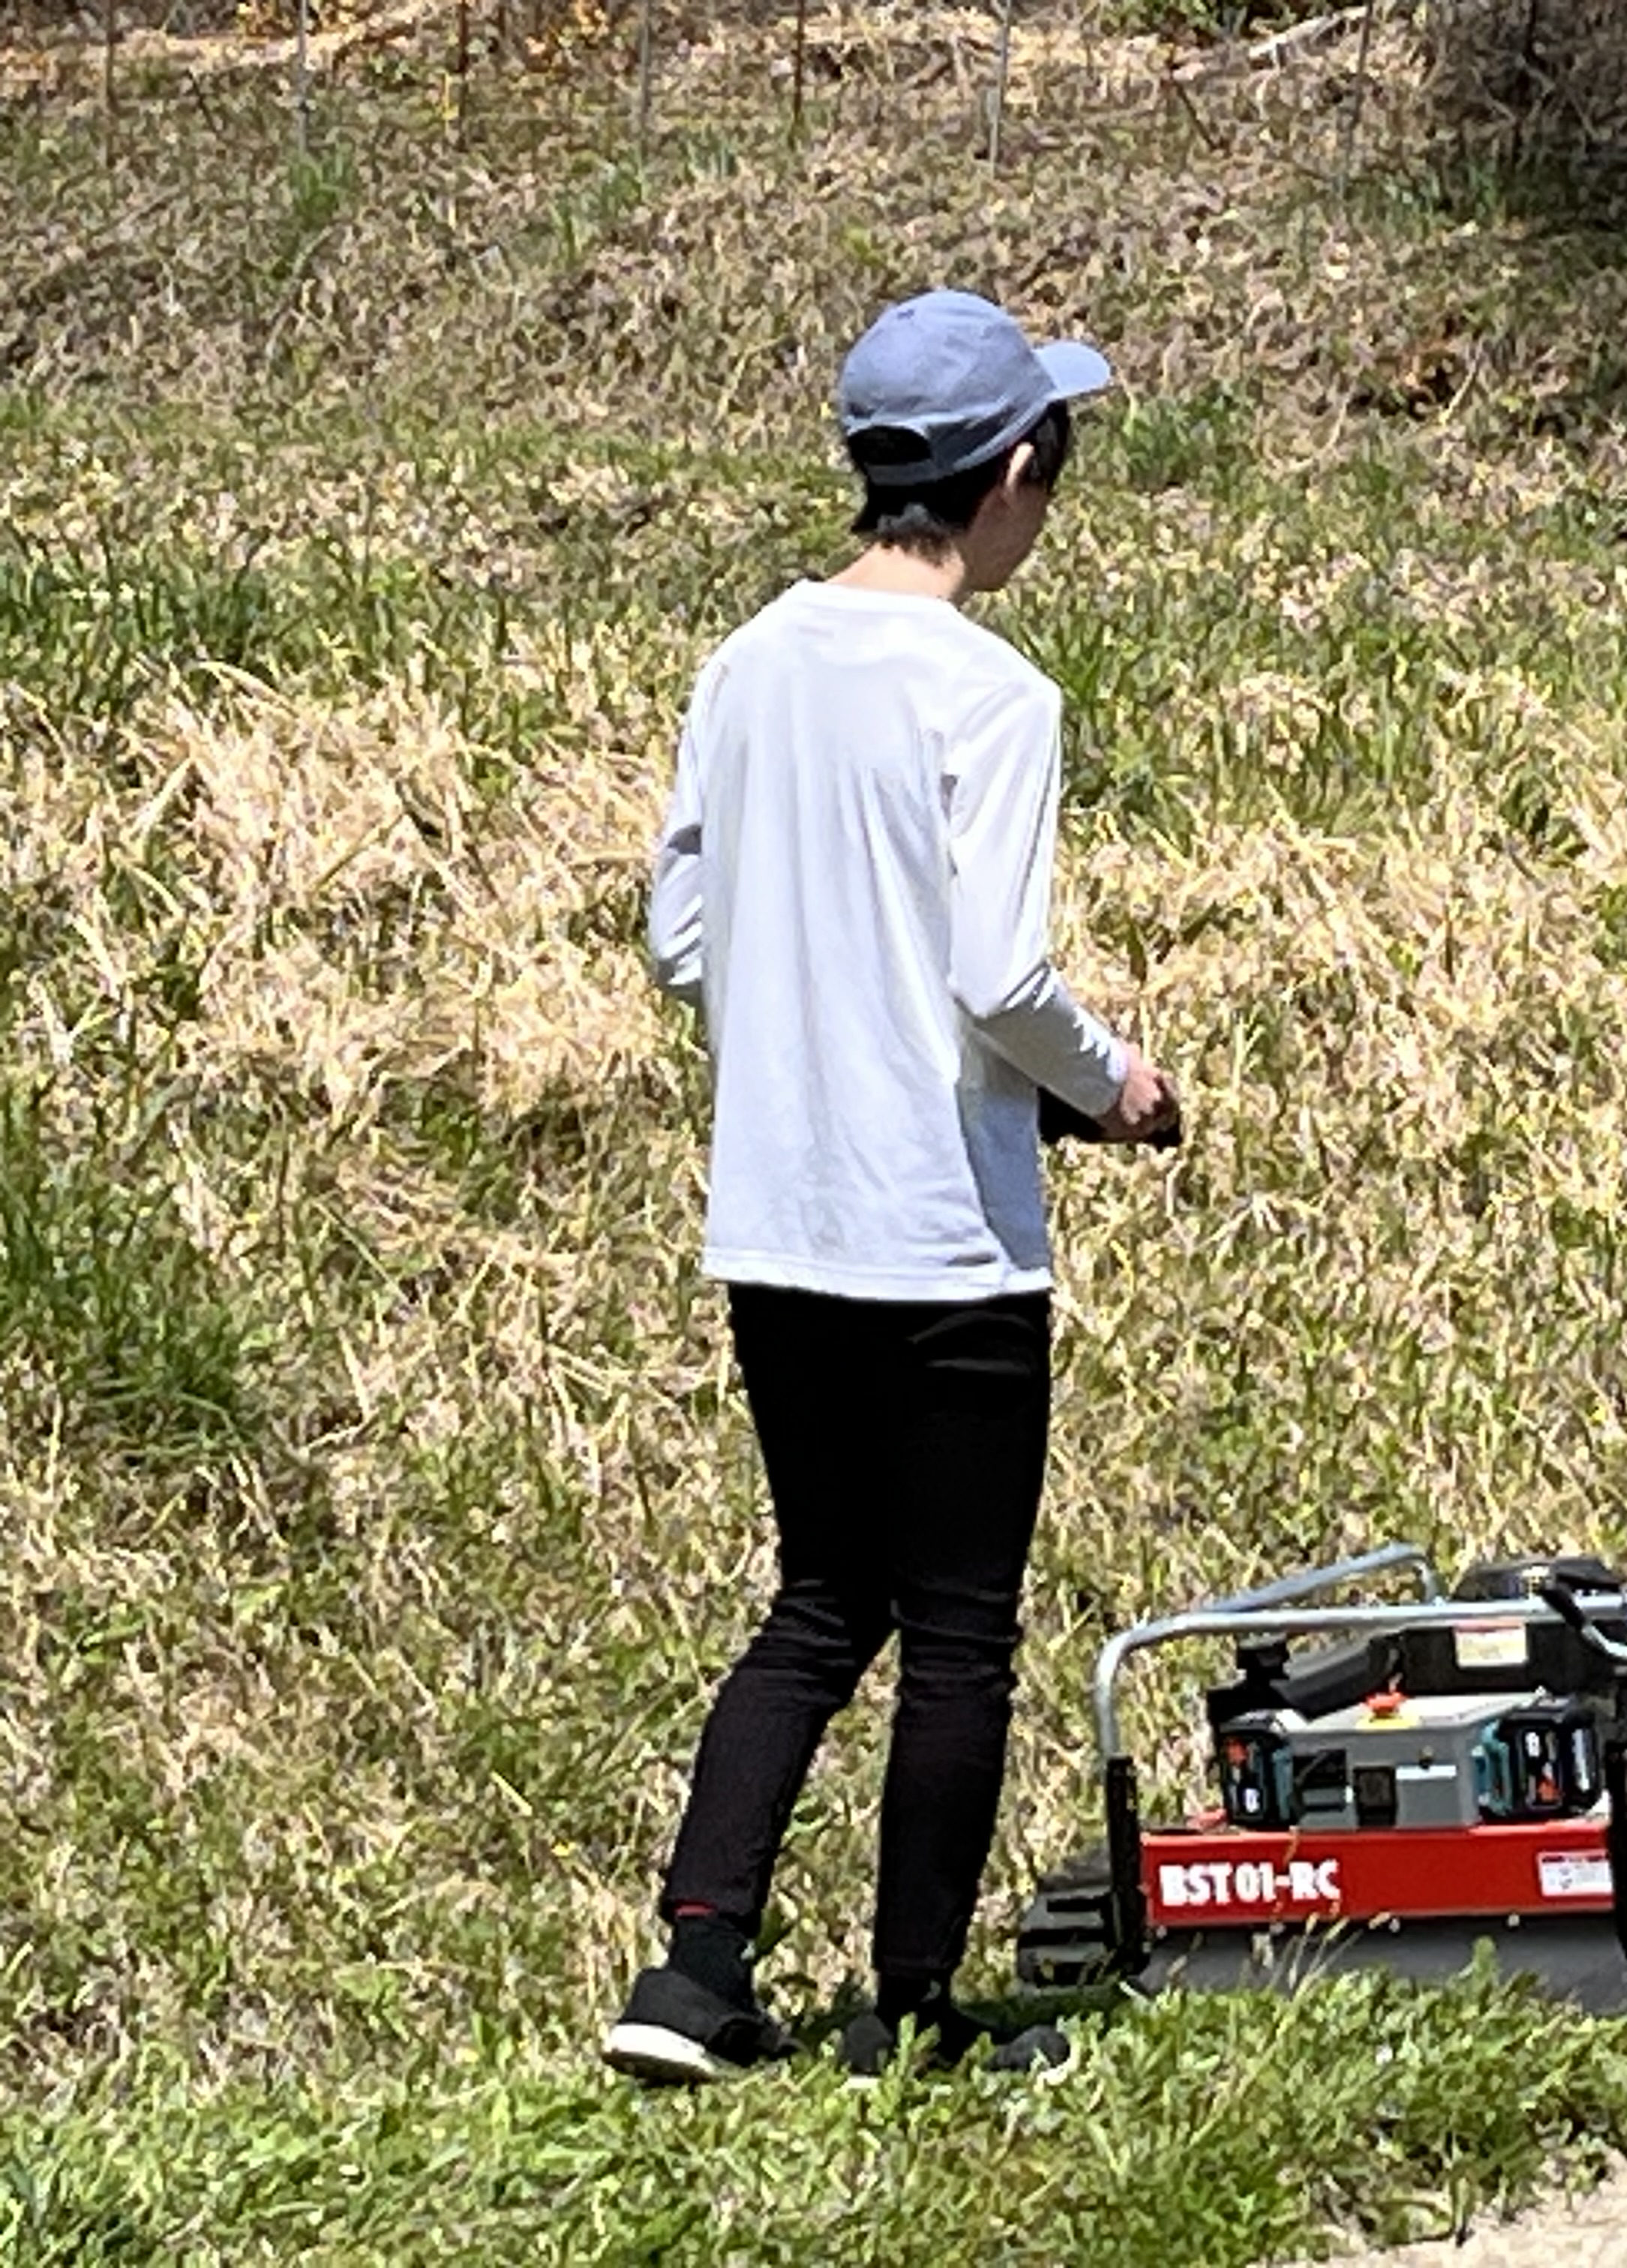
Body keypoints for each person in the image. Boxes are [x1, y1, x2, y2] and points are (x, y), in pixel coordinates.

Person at [602, 287, 1175, 2086]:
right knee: (958, 1638)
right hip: (943, 1241)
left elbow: (681, 933)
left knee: (815, 1603)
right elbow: (1002, 980)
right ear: (1014, 474)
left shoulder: (745, 660)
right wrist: (1122, 1088)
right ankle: (915, 2018)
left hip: (777, 1229)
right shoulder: (995, 696)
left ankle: (691, 1981)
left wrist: (807, 1003)